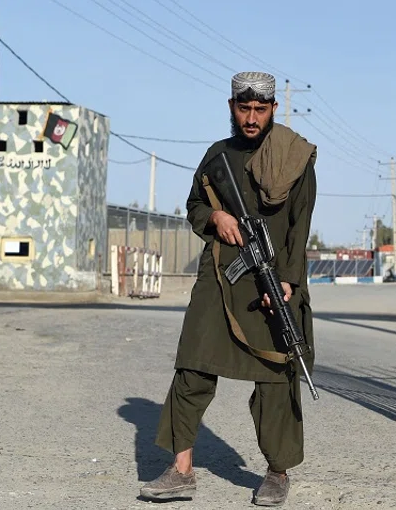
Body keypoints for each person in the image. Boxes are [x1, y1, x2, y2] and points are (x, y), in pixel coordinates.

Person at [140, 71, 317, 507]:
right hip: (220, 277)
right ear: (231, 106)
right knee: (193, 367)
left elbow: (300, 225)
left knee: (277, 374)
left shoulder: (295, 158)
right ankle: (180, 470)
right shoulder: (217, 155)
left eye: (260, 109)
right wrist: (216, 219)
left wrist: (289, 281)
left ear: (274, 109)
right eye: (244, 108)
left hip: (274, 279)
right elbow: (195, 205)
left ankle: (277, 472)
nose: (251, 118)